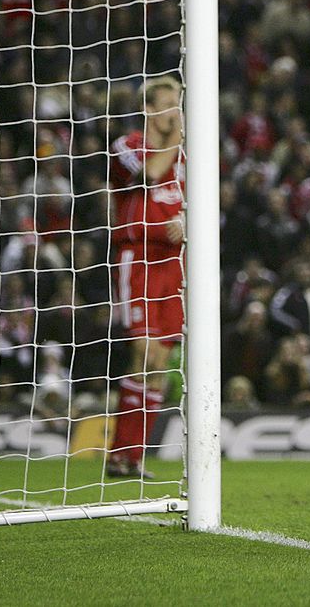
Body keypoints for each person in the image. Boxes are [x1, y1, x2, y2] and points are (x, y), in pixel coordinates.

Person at [106, 75, 184, 478]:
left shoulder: (187, 159)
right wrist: (179, 136)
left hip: (174, 264)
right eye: (171, 102)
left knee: (161, 361)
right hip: (137, 258)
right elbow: (151, 173)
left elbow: (197, 203)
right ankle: (119, 452)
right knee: (143, 352)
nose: (178, 109)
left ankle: (133, 457)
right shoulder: (127, 146)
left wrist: (186, 220)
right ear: (150, 108)